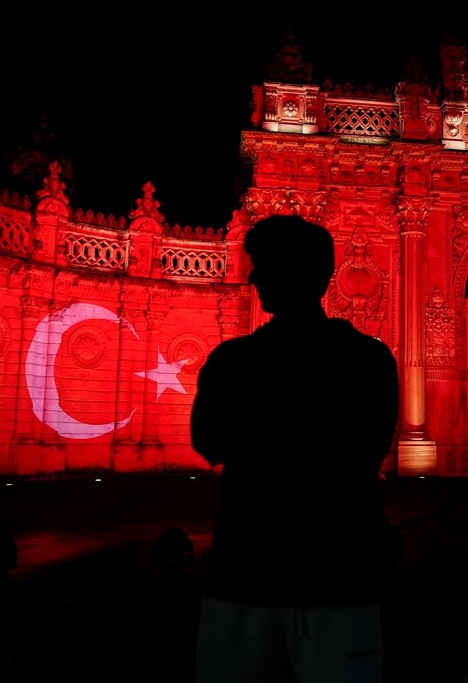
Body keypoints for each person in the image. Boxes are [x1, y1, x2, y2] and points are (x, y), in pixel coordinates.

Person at [190, 214, 400, 683]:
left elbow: (213, 439)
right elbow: (360, 453)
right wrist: (314, 429)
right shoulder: (368, 361)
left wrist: (262, 432)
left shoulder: (234, 363)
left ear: (309, 273)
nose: (253, 275)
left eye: (267, 263)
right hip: (339, 571)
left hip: (247, 570)